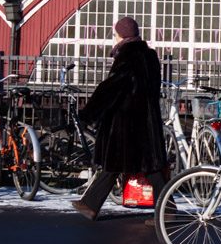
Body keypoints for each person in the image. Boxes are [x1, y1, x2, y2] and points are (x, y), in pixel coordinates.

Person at [72, 16, 168, 222]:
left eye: (115, 34)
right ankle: (90, 204)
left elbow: (112, 87)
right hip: (146, 119)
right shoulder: (149, 55)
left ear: (122, 35)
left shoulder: (128, 56)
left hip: (127, 120)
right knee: (148, 166)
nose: (114, 38)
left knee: (117, 163)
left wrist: (89, 112)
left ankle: (90, 205)